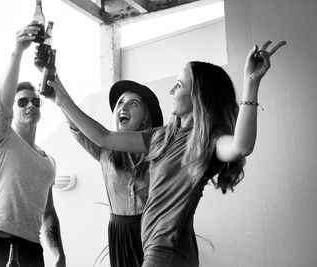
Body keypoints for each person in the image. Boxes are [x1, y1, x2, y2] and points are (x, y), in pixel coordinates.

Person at [47, 40, 286, 267]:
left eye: (179, 85)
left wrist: (251, 83)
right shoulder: (160, 137)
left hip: (167, 251)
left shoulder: (208, 142)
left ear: (198, 96)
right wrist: (60, 96)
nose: (172, 90)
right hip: (153, 247)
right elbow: (104, 137)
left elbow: (241, 147)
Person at [0, 21, 65, 267]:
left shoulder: (48, 161)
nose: (30, 104)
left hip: (31, 249)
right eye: (22, 102)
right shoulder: (2, 138)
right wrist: (17, 51)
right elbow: (1, 107)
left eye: (35, 101)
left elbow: (48, 213)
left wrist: (60, 254)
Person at [68, 80, 163, 267]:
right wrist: (58, 94)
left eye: (133, 103)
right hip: (120, 233)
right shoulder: (105, 150)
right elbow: (76, 126)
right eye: (120, 102)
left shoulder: (161, 147)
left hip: (155, 230)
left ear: (145, 117)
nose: (123, 107)